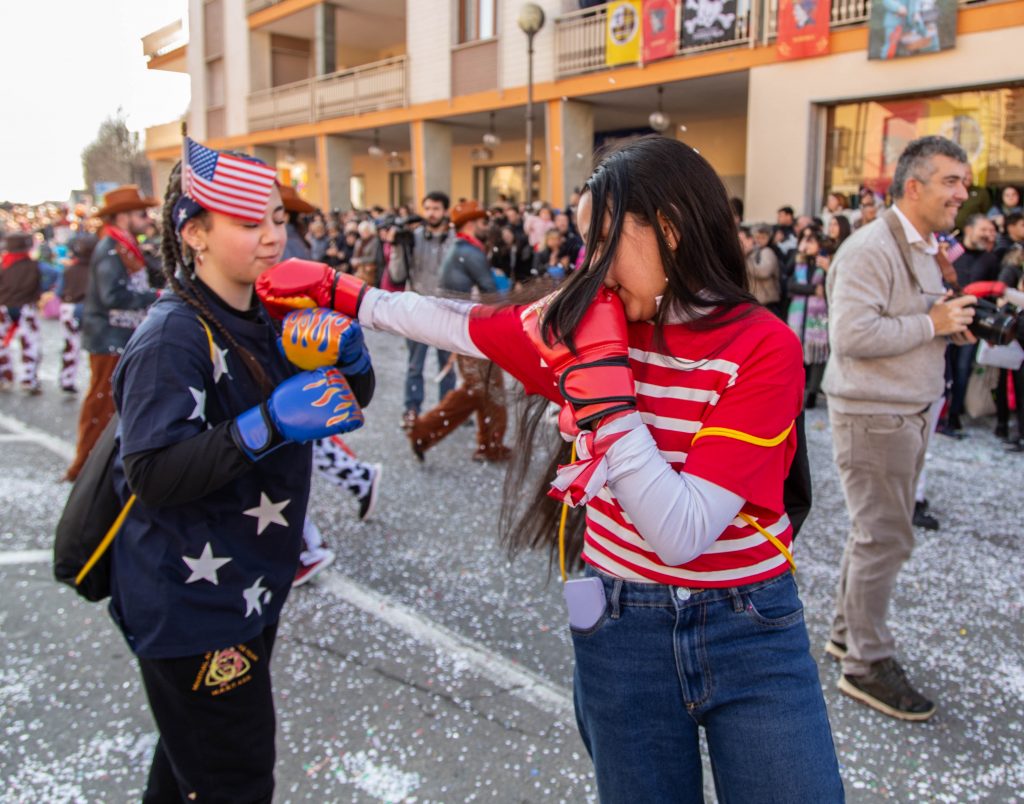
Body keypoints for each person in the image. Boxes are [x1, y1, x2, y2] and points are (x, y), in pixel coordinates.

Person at [257, 135, 845, 802]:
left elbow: (682, 532)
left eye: (602, 240)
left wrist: (610, 406)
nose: (588, 266)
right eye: (582, 243)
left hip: (748, 623)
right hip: (619, 620)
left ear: (671, 230)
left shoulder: (761, 345)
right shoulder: (589, 322)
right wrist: (347, 294)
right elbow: (463, 323)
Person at [109, 141, 373, 802]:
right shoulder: (172, 336)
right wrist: (268, 424)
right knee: (234, 780)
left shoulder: (270, 311)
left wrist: (353, 361)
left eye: (278, 218)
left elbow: (341, 403)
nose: (274, 236)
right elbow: (152, 472)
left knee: (191, 770)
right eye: (250, 222)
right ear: (194, 233)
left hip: (247, 587)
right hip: (192, 604)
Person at [822, 135, 976, 721]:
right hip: (874, 414)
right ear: (914, 186)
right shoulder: (869, 248)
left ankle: (847, 637)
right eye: (951, 181)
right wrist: (931, 322)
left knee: (874, 533)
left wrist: (946, 325)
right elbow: (852, 335)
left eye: (964, 182)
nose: (962, 193)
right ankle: (866, 665)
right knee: (886, 537)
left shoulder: (924, 247)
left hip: (904, 409)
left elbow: (910, 322)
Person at [65, 186, 160, 481]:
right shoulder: (110, 248)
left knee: (115, 404)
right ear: (122, 217)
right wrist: (154, 296)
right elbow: (112, 296)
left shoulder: (124, 246)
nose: (147, 219)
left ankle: (100, 466)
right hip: (110, 338)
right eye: (141, 214)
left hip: (121, 336)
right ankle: (84, 467)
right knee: (102, 403)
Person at [408, 199, 510, 463]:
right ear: (471, 224)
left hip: (465, 330)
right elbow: (491, 294)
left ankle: (489, 445)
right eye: (483, 222)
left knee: (484, 389)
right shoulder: (469, 252)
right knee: (482, 390)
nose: (487, 226)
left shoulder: (462, 250)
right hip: (470, 333)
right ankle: (423, 432)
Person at [387, 191, 456, 429]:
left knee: (447, 365)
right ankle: (412, 409)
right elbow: (397, 275)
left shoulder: (455, 239)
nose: (431, 213)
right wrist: (397, 247)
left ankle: (446, 410)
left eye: (436, 208)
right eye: (427, 208)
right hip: (418, 310)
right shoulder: (413, 238)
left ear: (445, 211)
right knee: (415, 364)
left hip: (448, 311)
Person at [787, 232, 833, 409]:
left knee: (818, 352)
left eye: (811, 242)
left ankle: (812, 392)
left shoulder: (826, 263)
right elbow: (790, 285)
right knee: (798, 353)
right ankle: (799, 390)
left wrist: (828, 269)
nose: (807, 245)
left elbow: (830, 286)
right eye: (805, 242)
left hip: (818, 316)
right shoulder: (800, 262)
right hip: (798, 316)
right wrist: (813, 289)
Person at [0, 232, 42, 393]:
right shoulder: (33, 265)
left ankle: (4, 375)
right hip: (26, 307)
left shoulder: (4, 264)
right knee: (30, 343)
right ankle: (28, 379)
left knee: (2, 343)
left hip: (4, 306)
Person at [57, 233, 97, 394]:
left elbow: (59, 292)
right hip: (91, 308)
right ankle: (96, 383)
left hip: (69, 308)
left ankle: (67, 379)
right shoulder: (98, 271)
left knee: (70, 346)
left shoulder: (69, 269)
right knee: (94, 349)